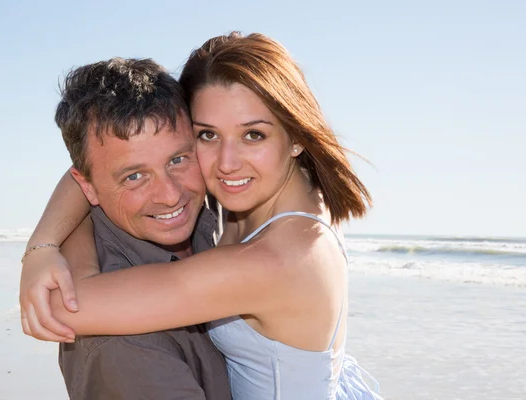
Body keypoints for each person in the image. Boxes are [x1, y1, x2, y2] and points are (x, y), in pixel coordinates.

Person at [21, 32, 383, 399]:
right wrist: (45, 241)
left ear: (297, 136)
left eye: (253, 135)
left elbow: (64, 307)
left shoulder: (272, 261)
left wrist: (47, 249)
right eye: (208, 134)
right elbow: (98, 165)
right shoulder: (282, 186)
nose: (226, 163)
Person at [20, 57, 231, 399]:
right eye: (134, 177)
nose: (170, 195)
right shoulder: (119, 345)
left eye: (177, 160)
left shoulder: (223, 201)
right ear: (87, 187)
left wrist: (43, 243)